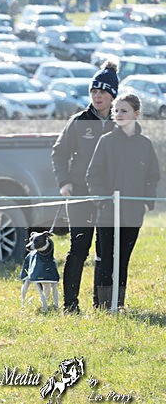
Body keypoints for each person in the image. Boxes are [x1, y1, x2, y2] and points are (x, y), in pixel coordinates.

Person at [51, 61, 117, 313]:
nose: (98, 96)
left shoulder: (119, 121)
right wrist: (64, 182)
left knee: (105, 250)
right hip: (79, 193)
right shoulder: (78, 121)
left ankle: (102, 305)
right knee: (79, 247)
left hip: (109, 197)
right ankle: (70, 305)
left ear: (113, 95)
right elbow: (59, 153)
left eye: (103, 92)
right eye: (94, 92)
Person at [86, 93, 160, 310]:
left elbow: (152, 175)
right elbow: (93, 174)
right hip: (108, 213)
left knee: (123, 260)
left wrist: (146, 202)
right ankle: (101, 305)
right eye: (116, 110)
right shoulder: (106, 141)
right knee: (106, 259)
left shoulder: (145, 145)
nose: (118, 114)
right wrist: (102, 201)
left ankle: (117, 303)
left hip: (132, 213)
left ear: (136, 114)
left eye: (124, 111)